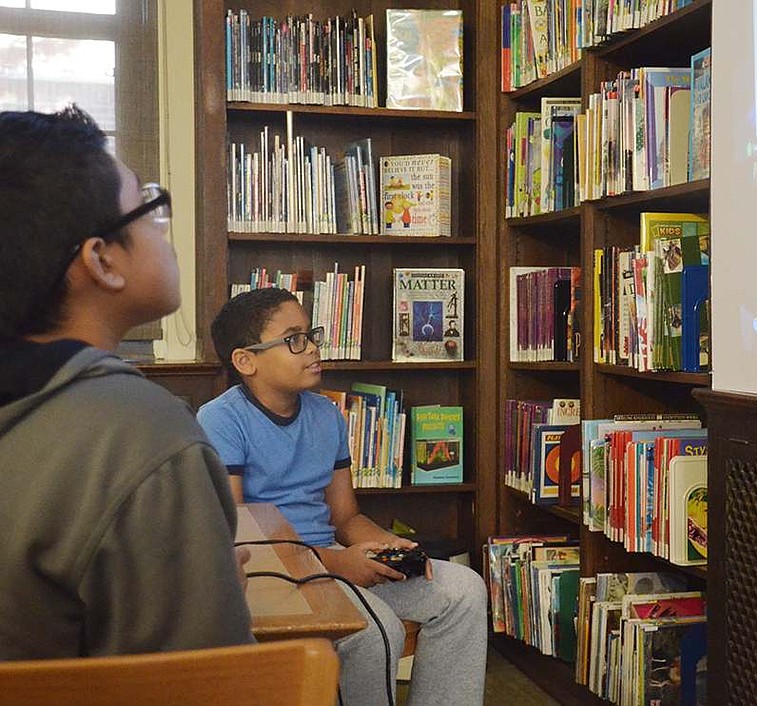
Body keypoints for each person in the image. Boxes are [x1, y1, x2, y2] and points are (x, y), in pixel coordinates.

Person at [0, 105, 254, 659]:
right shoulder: (143, 435)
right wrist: (219, 599)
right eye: (148, 209)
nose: (165, 233)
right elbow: (204, 687)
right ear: (101, 261)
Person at [197, 287, 487, 706]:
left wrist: (387, 545)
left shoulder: (327, 414)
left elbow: (346, 518)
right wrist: (337, 564)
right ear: (246, 361)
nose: (313, 348)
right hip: (271, 573)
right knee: (377, 629)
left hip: (332, 558)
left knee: (464, 590)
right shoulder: (220, 420)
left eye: (311, 334)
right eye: (294, 340)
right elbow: (242, 536)